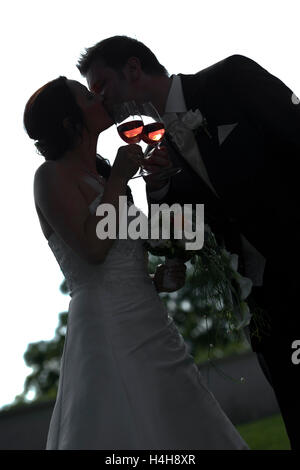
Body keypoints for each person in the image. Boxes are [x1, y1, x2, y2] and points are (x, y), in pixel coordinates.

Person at [77, 35, 300, 449]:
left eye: (102, 85)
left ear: (133, 68)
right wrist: (158, 184)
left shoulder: (230, 78)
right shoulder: (157, 148)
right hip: (265, 301)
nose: (101, 100)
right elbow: (184, 238)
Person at [24, 76, 248, 450]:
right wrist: (118, 180)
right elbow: (92, 250)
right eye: (85, 96)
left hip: (150, 323)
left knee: (179, 419)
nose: (96, 96)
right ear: (69, 122)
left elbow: (125, 250)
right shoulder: (50, 177)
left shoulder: (103, 176)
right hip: (106, 328)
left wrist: (156, 279)